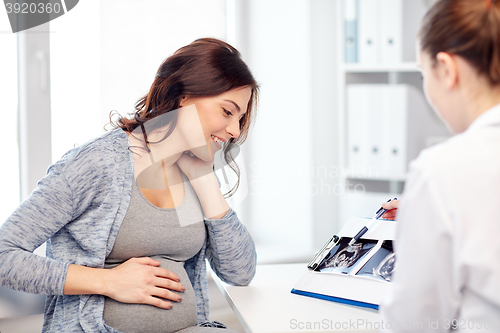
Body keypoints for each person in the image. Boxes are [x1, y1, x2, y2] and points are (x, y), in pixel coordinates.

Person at [0, 38, 259, 333]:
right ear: (185, 96)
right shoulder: (100, 164)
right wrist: (108, 282)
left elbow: (240, 273)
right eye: (227, 112)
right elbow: (4, 255)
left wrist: (207, 184)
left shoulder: (193, 174)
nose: (235, 131)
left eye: (240, 119)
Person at [379, 0, 500, 331]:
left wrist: (435, 209)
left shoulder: (442, 170)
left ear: (446, 69)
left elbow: (412, 323)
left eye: (423, 73)